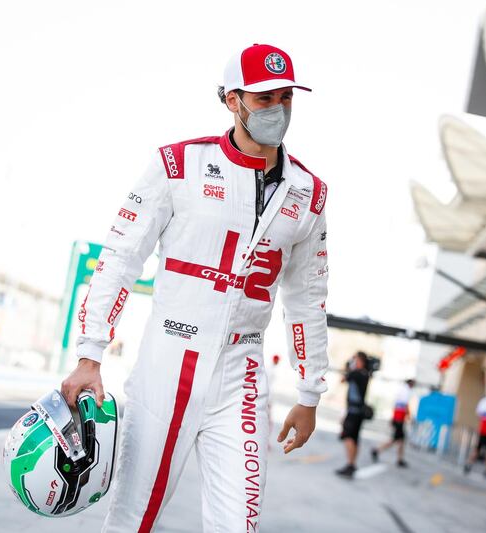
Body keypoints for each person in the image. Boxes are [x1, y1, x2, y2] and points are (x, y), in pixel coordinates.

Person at [60, 43, 329, 532]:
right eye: (264, 98)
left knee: (239, 525)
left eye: (285, 97)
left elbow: (308, 299)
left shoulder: (308, 192)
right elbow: (120, 259)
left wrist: (309, 393)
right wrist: (89, 352)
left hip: (242, 375)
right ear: (232, 99)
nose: (278, 109)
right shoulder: (177, 164)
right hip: (169, 362)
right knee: (132, 521)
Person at [336, 351, 371, 478]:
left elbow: (342, 379)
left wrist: (348, 367)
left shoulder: (356, 373)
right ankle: (352, 464)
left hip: (353, 412)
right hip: (359, 412)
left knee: (348, 436)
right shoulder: (366, 374)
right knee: (355, 439)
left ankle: (350, 464)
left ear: (360, 361)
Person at [371, 378, 414, 467]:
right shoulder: (405, 391)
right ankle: (377, 450)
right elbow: (404, 406)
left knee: (401, 440)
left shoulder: (402, 390)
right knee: (396, 439)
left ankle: (399, 459)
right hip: (399, 420)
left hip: (398, 419)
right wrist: (409, 416)